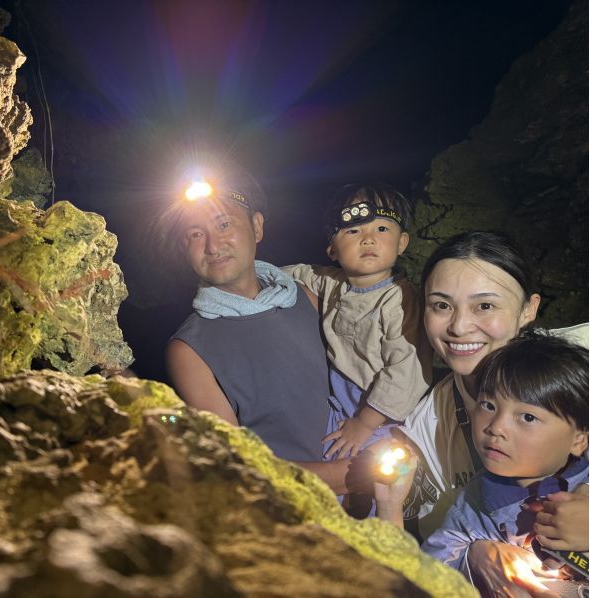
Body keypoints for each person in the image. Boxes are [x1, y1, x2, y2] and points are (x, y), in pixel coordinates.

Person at [369, 230, 588, 594]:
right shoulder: (427, 430)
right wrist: (473, 558)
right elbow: (438, 555)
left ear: (528, 309)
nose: (458, 326)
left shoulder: (579, 369)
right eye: (441, 305)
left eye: (485, 306)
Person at [163, 164, 352, 492]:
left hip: (373, 490)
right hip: (292, 513)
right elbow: (237, 463)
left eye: (224, 224)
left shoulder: (305, 296)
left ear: (257, 226)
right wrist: (348, 477)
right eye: (195, 233)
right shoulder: (189, 349)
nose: (212, 244)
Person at [421, 331, 588, 592]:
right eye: (488, 405)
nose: (496, 427)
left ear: (579, 440)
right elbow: (429, 570)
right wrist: (474, 560)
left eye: (528, 417)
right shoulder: (476, 503)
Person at [285, 184, 432, 461]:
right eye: (353, 231)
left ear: (402, 242)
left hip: (383, 416)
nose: (368, 239)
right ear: (332, 250)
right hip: (339, 404)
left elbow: (406, 370)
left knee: (374, 477)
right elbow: (295, 272)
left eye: (381, 229)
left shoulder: (399, 299)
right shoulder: (330, 282)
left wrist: (365, 423)